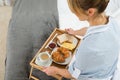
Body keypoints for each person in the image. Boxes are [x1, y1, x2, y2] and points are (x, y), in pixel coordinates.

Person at [42, 0, 120, 80]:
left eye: (75, 11)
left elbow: (73, 75)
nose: (74, 13)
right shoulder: (113, 22)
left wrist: (55, 70)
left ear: (90, 12)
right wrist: (75, 32)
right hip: (107, 69)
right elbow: (90, 30)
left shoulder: (88, 48)